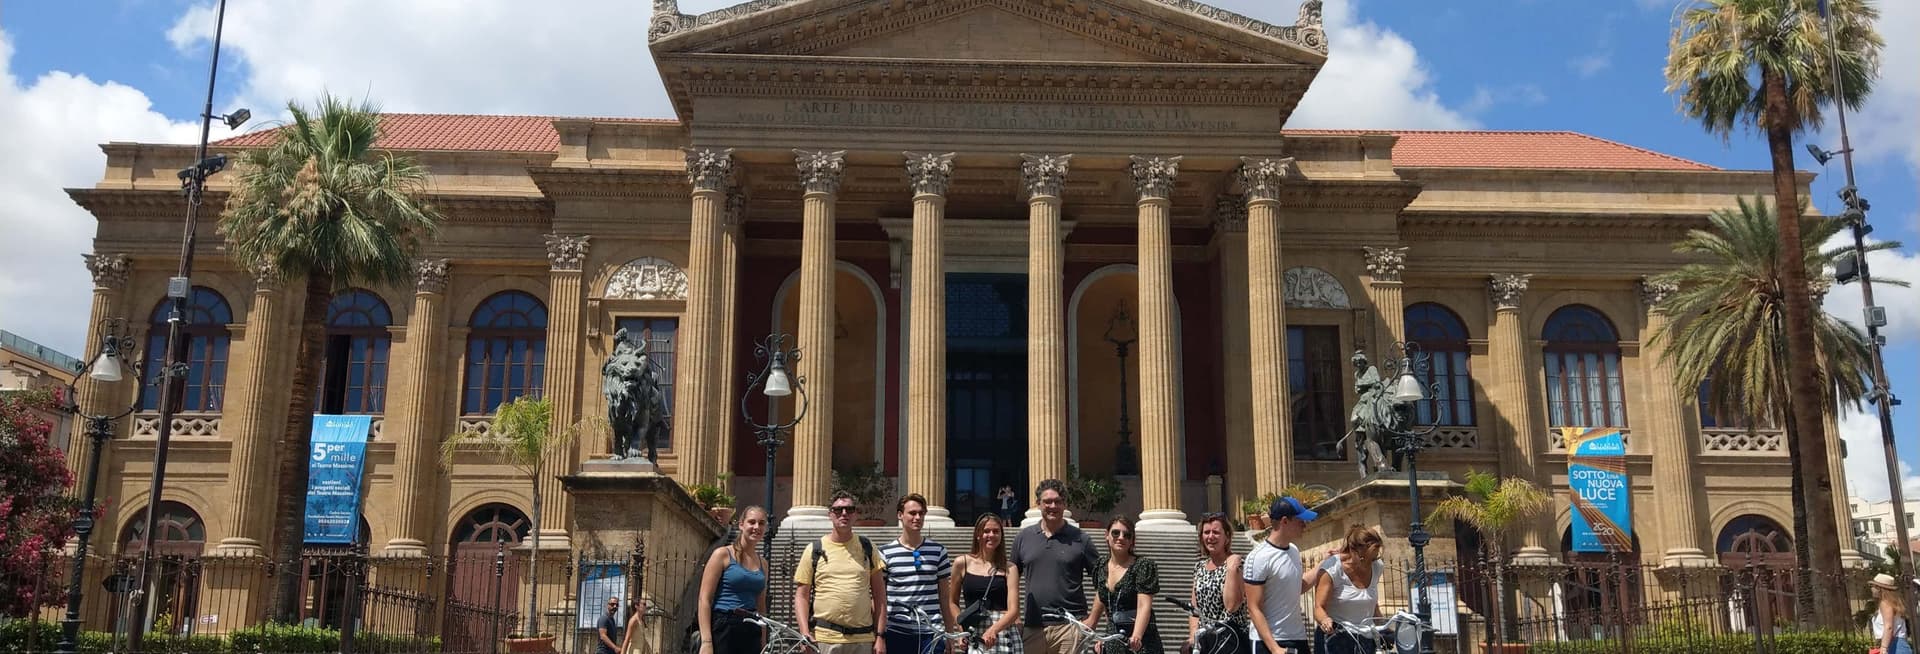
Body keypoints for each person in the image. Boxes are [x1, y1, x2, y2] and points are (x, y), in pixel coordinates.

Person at [1014, 478, 1102, 654]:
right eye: (1047, 501)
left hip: (1070, 627)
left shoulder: (1081, 539)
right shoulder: (1024, 538)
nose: (1052, 506)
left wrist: (1092, 620)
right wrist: (1015, 617)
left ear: (1064, 505)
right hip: (1033, 627)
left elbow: (1103, 581)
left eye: (1057, 501)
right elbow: (1010, 580)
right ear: (1038, 504)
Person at [796, 491, 889, 654]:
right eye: (838, 510)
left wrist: (880, 635)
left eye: (849, 509)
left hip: (863, 639)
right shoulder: (814, 550)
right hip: (825, 638)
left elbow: (880, 595)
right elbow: (801, 596)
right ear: (830, 514)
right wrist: (805, 633)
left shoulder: (867, 547)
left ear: (855, 515)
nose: (844, 514)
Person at [1243, 497, 1324, 654]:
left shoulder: (1293, 550)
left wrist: (1323, 564)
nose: (1305, 525)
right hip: (1268, 642)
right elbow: (1253, 608)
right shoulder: (1258, 557)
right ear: (1285, 521)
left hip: (1298, 638)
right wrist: (1274, 648)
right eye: (1300, 520)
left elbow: (1297, 587)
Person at [881, 494, 955, 654]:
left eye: (921, 513)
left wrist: (950, 634)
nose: (917, 517)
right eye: (912, 513)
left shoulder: (938, 551)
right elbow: (880, 598)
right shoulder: (885, 553)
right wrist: (878, 634)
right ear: (900, 515)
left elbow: (944, 597)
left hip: (932, 632)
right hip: (897, 631)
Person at [946, 514, 1022, 654]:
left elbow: (1014, 610)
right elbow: (952, 602)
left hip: (1003, 632)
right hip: (974, 631)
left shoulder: (1010, 568)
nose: (991, 535)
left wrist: (993, 630)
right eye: (986, 531)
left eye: (996, 531)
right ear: (978, 534)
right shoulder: (962, 563)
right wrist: (961, 629)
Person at [698, 505, 769, 654]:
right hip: (725, 625)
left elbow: (761, 606)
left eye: (761, 523)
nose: (756, 527)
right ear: (741, 525)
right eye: (752, 522)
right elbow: (704, 599)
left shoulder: (763, 563)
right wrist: (706, 641)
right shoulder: (722, 555)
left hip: (752, 628)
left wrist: (763, 642)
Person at [1089, 516, 1160, 654]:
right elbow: (1103, 595)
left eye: (1127, 535)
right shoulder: (1101, 565)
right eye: (1115, 533)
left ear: (1132, 540)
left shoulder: (1142, 566)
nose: (1121, 538)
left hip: (1140, 638)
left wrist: (1137, 636)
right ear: (1107, 535)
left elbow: (1144, 605)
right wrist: (1093, 623)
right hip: (1114, 638)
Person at [1312, 527, 1384, 654]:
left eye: (1373, 559)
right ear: (1352, 550)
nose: (1368, 564)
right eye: (1364, 559)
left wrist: (1384, 628)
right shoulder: (1332, 569)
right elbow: (1319, 607)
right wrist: (1325, 620)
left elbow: (1371, 604)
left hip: (1366, 640)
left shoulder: (1377, 567)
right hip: (1337, 638)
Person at [1189, 513, 1248, 654]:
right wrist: (1192, 637)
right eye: (1206, 532)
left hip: (1231, 639)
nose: (1210, 537)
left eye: (1216, 532)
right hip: (1206, 640)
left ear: (1227, 537)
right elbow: (1194, 609)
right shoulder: (1199, 567)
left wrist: (1231, 569)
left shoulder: (1236, 564)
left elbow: (1232, 605)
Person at [1870, 573, 1912, 654]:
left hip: (1893, 646)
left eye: (1872, 586)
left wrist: (1884, 647)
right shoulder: (1892, 603)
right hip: (1898, 644)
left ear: (1879, 588)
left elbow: (1889, 627)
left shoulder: (1885, 603)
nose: (1871, 589)